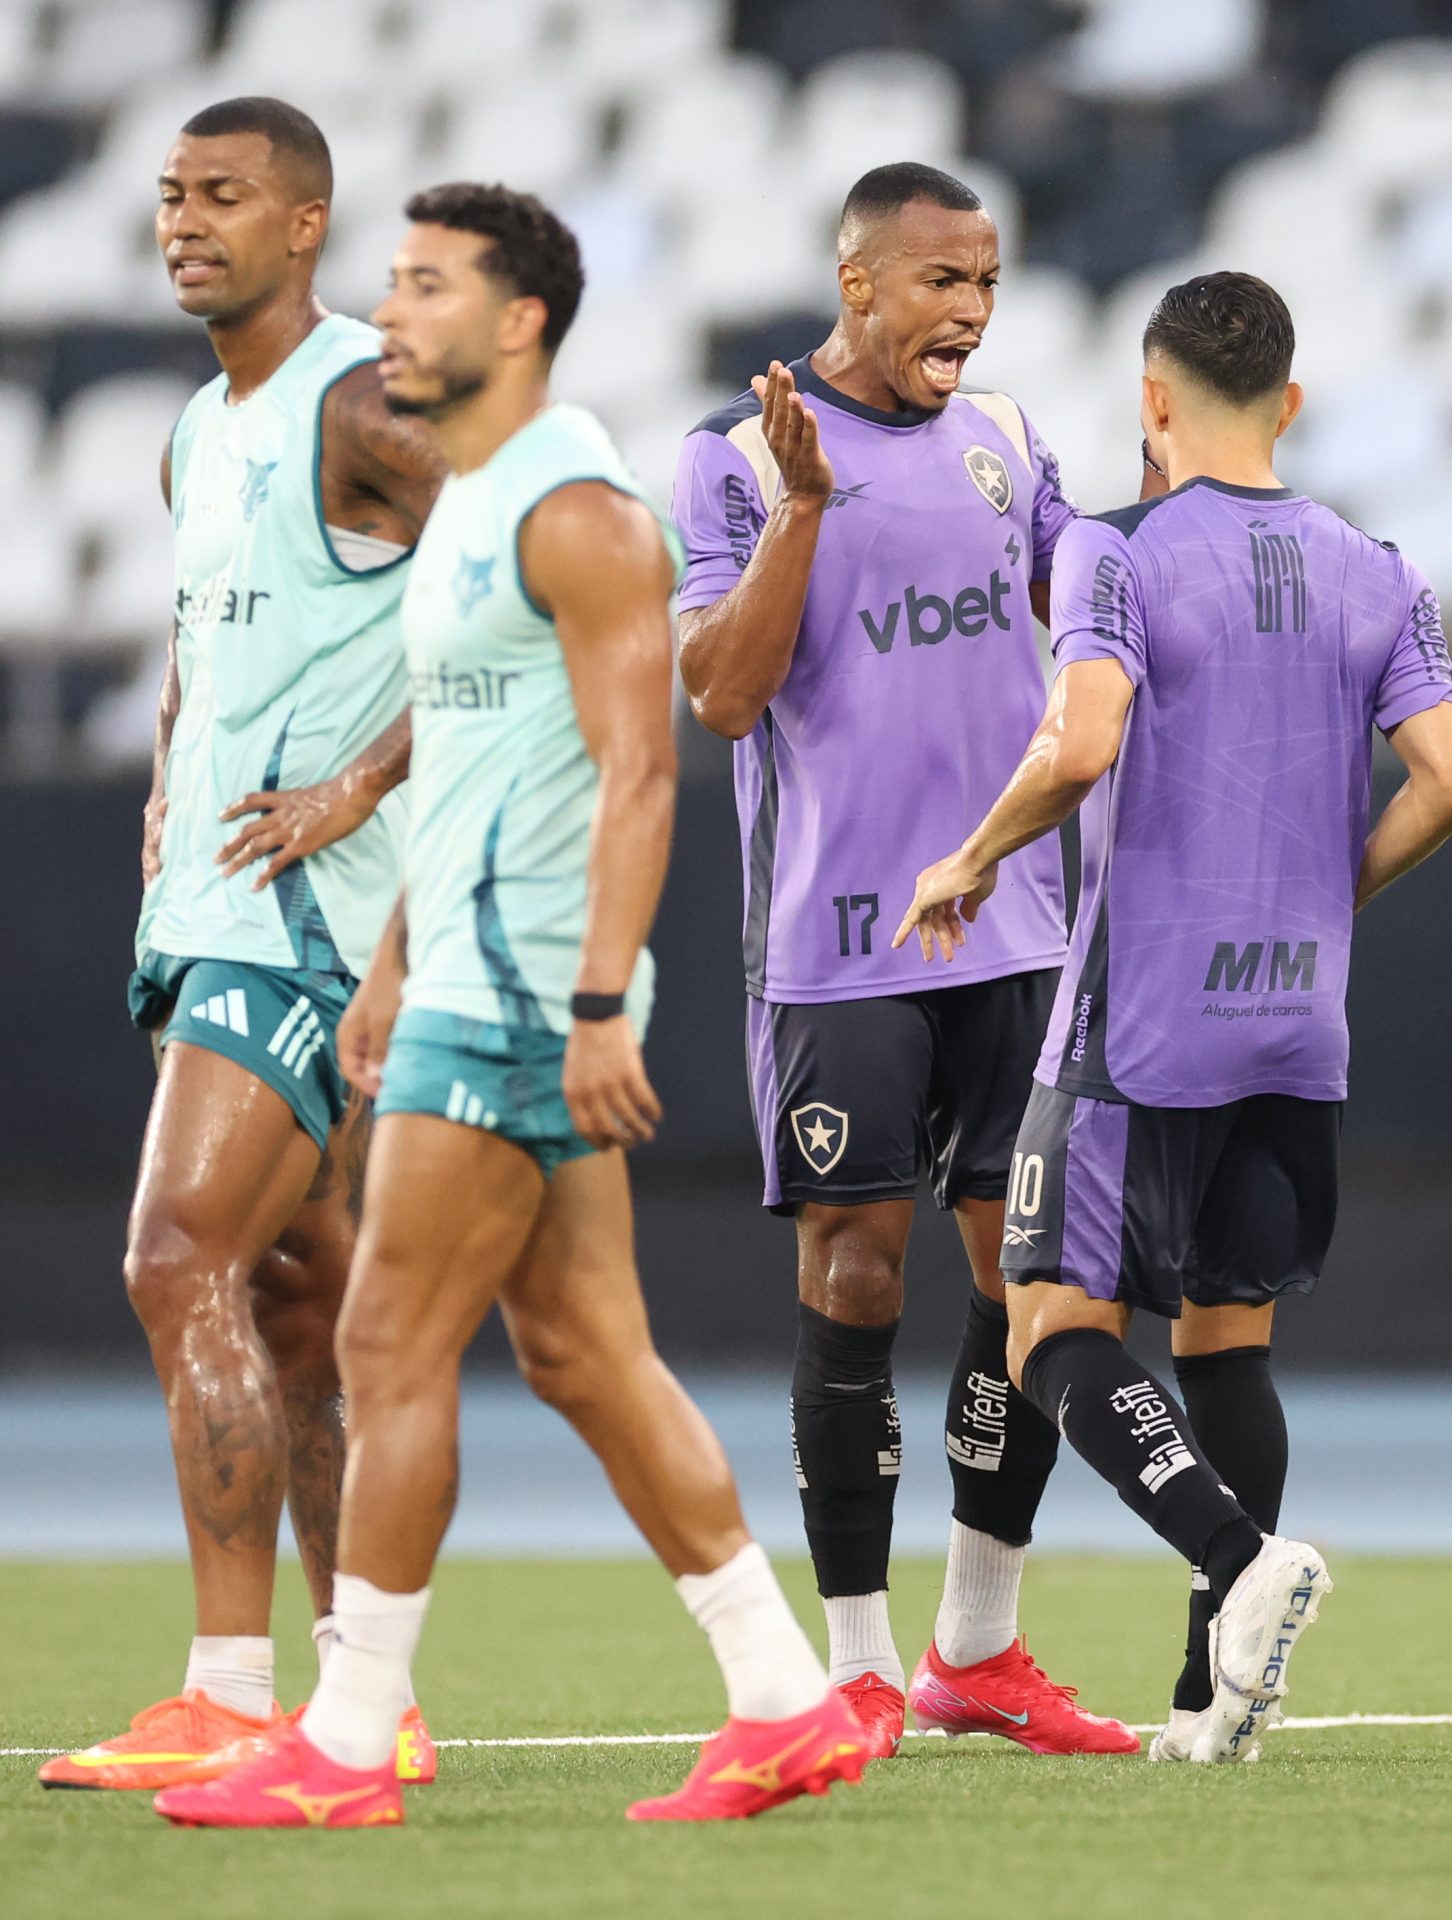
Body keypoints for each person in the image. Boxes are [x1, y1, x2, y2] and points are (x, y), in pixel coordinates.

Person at [152, 183, 868, 1832]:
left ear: (519, 320)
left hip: (529, 994)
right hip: (468, 980)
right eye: (392, 284)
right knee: (584, 1352)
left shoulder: (580, 510)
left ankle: (345, 1742)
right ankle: (779, 1696)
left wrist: (602, 1003)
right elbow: (474, 763)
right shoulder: (469, 498)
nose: (389, 314)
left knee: (390, 1343)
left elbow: (640, 773)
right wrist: (388, 966)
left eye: (423, 287)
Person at [895, 271, 1452, 1764]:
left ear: (1151, 402)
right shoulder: (1380, 563)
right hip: (1299, 1026)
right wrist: (1334, 893)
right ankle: (1208, 1707)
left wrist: (968, 859)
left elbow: (1083, 738)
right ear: (1289, 403)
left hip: (1142, 1019)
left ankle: (1238, 1560)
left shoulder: (1118, 546)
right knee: (1230, 1341)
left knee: (1048, 1325)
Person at [671, 161, 1137, 1757]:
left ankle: (978, 1647)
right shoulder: (736, 461)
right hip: (840, 944)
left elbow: (1096, 599)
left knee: (1029, 1287)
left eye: (987, 282)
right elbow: (726, 695)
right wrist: (805, 507)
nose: (972, 310)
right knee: (854, 1278)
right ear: (857, 282)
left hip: (1014, 934)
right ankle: (857, 1665)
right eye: (943, 281)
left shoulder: (1010, 442)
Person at [40, 98, 445, 1794]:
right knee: (295, 1299)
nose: (186, 221)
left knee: (171, 1260)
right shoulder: (199, 427)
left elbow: (547, 590)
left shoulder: (365, 396)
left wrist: (359, 783)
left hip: (306, 926)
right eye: (169, 196)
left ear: (307, 225)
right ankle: (368, 1702)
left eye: (226, 197)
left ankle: (225, 1690)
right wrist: (164, 775)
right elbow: (205, 643)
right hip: (206, 905)